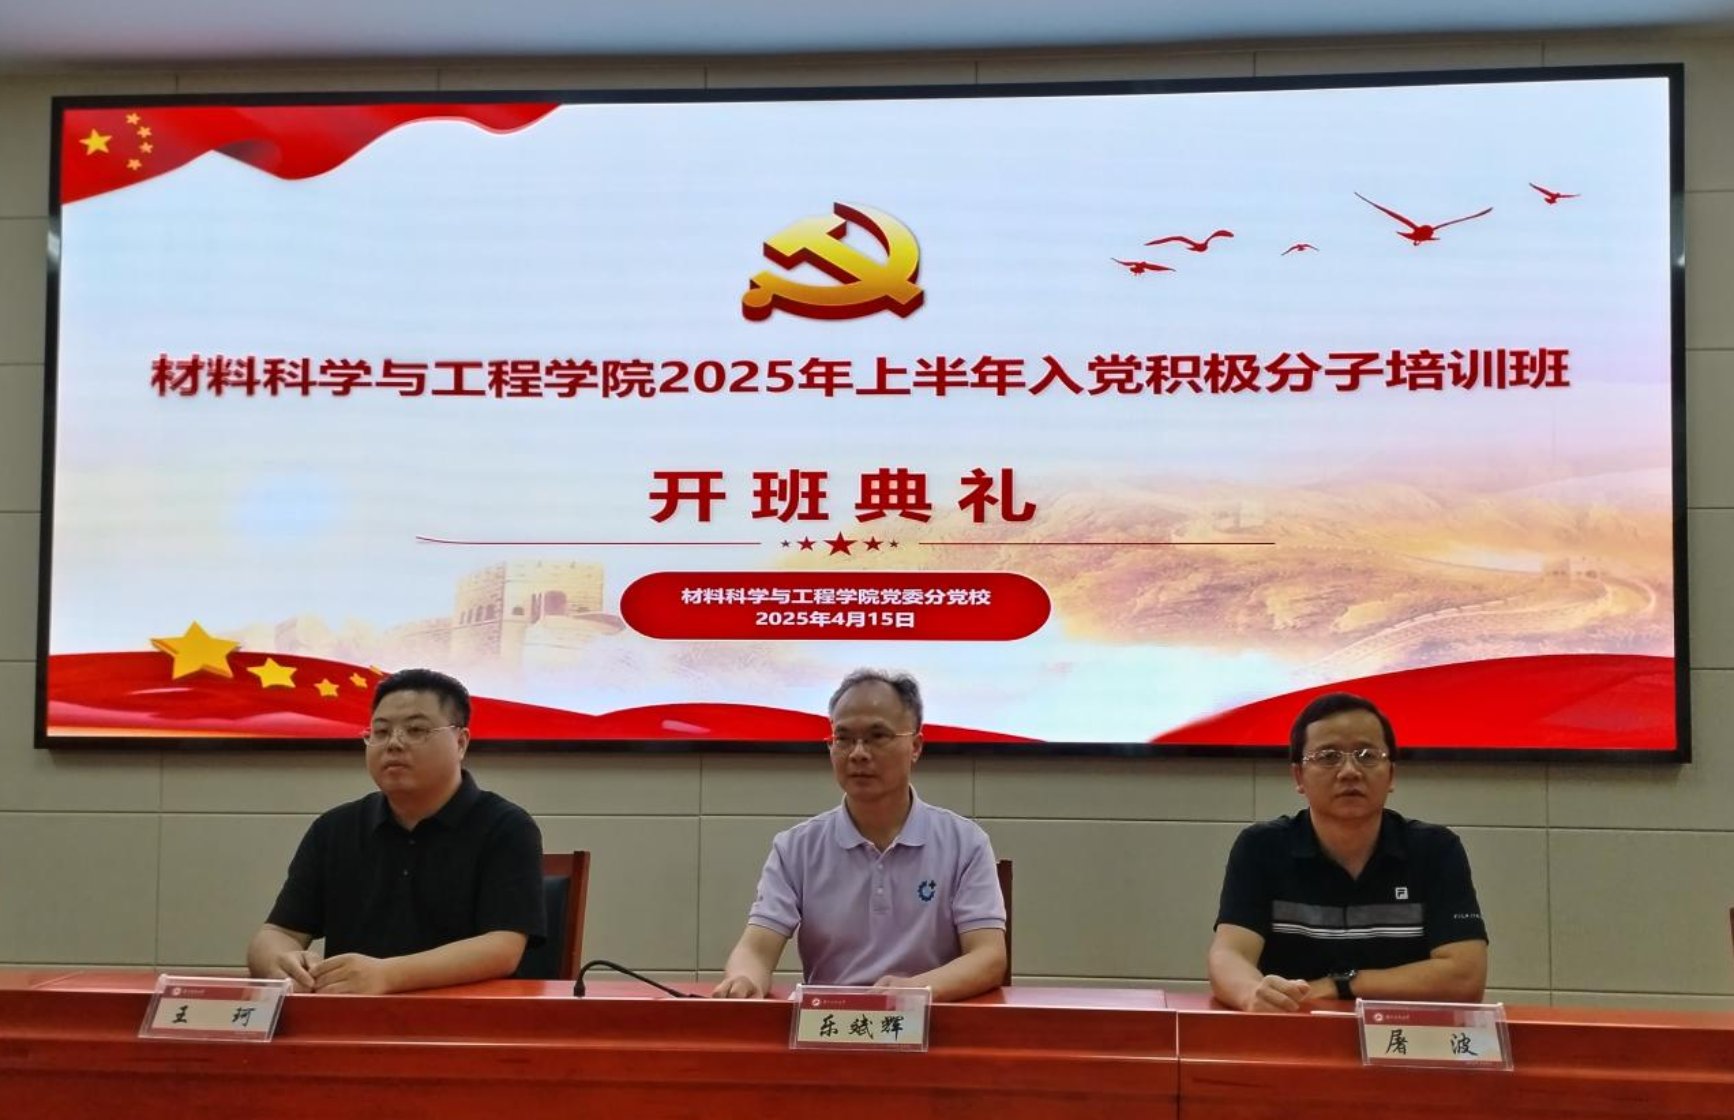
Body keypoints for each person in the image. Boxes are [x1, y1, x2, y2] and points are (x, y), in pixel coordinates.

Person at [712, 669, 1007, 1001]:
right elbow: (756, 949)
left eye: (877, 736)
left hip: (930, 1019)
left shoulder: (964, 843)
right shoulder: (796, 848)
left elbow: (988, 957)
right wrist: (745, 978)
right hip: (828, 1024)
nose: (858, 753)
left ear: (915, 746)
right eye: (844, 738)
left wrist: (913, 991)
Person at [246, 668, 545, 994]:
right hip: (350, 1016)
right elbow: (278, 933)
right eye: (381, 731)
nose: (394, 743)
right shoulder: (334, 829)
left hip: (465, 1017)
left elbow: (503, 948)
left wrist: (388, 976)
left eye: (416, 730)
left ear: (460, 742)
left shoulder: (506, 826)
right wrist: (280, 963)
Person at [1207, 692, 1488, 1012]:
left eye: (1367, 755)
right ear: (1298, 776)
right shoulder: (1261, 847)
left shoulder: (1435, 849)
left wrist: (1339, 985)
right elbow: (1229, 955)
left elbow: (1465, 977)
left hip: (1402, 1037)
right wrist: (1252, 995)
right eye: (1328, 756)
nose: (1350, 771)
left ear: (1391, 774)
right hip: (1293, 1029)